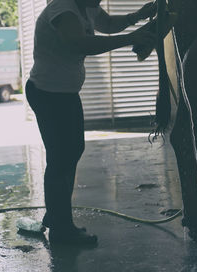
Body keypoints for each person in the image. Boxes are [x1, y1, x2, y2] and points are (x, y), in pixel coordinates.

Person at [26, 0, 157, 245]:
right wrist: (131, 38)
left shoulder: (86, 6)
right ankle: (61, 230)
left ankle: (57, 213)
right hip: (48, 93)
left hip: (64, 93)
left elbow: (107, 24)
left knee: (72, 151)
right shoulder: (63, 10)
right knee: (61, 157)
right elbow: (80, 44)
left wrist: (137, 16)